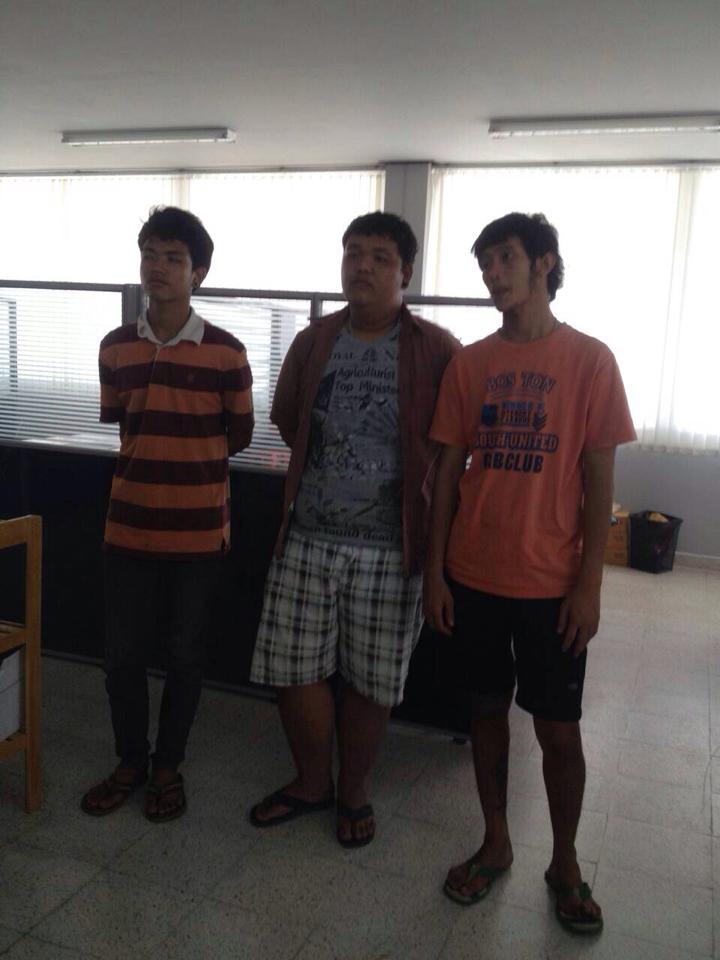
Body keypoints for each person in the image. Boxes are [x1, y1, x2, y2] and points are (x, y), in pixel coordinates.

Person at [424, 212, 635, 933]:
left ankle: (565, 861)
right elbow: (446, 476)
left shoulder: (591, 361)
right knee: (485, 714)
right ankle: (496, 840)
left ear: (544, 263)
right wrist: (435, 572)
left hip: (551, 586)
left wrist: (590, 584)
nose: (492, 274)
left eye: (505, 258)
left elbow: (600, 479)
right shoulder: (470, 363)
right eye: (485, 263)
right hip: (473, 574)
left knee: (559, 731)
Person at [249, 211, 460, 847]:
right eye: (353, 253)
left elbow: (454, 447)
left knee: (372, 680)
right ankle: (313, 782)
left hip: (393, 549)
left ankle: (355, 790)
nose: (362, 266)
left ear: (405, 273)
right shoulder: (314, 341)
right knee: (293, 669)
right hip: (307, 537)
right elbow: (289, 420)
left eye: (379, 257)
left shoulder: (436, 348)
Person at [81, 206, 254, 822]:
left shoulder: (226, 353)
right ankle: (130, 761)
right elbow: (123, 424)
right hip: (128, 528)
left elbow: (240, 434)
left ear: (198, 272)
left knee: (184, 657)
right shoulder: (115, 347)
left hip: (198, 534)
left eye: (173, 258)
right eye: (150, 255)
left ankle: (167, 767)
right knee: (122, 658)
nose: (158, 267)